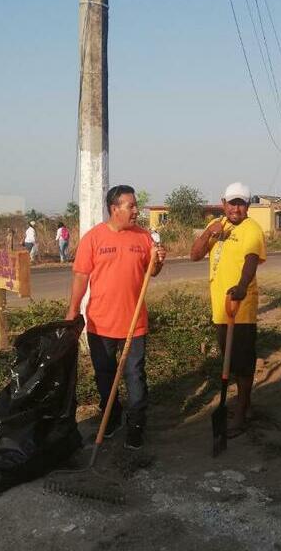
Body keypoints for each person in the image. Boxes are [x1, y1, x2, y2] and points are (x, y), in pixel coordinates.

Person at [65, 185, 166, 451]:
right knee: (104, 374)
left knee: (135, 375)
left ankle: (136, 424)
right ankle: (111, 416)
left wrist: (158, 261)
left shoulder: (144, 237)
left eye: (135, 206)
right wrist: (73, 311)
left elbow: (151, 273)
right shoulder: (94, 239)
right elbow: (80, 277)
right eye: (130, 206)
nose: (136, 211)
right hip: (100, 323)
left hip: (135, 323)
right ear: (114, 208)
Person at [190, 182, 266, 438]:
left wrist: (242, 286)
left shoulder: (251, 229)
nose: (236, 208)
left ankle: (242, 414)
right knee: (230, 361)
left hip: (240, 307)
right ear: (224, 203)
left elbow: (251, 260)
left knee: (243, 363)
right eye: (232, 203)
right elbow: (194, 256)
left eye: (241, 203)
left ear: (247, 206)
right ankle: (246, 406)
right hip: (221, 309)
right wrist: (207, 234)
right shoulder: (218, 226)